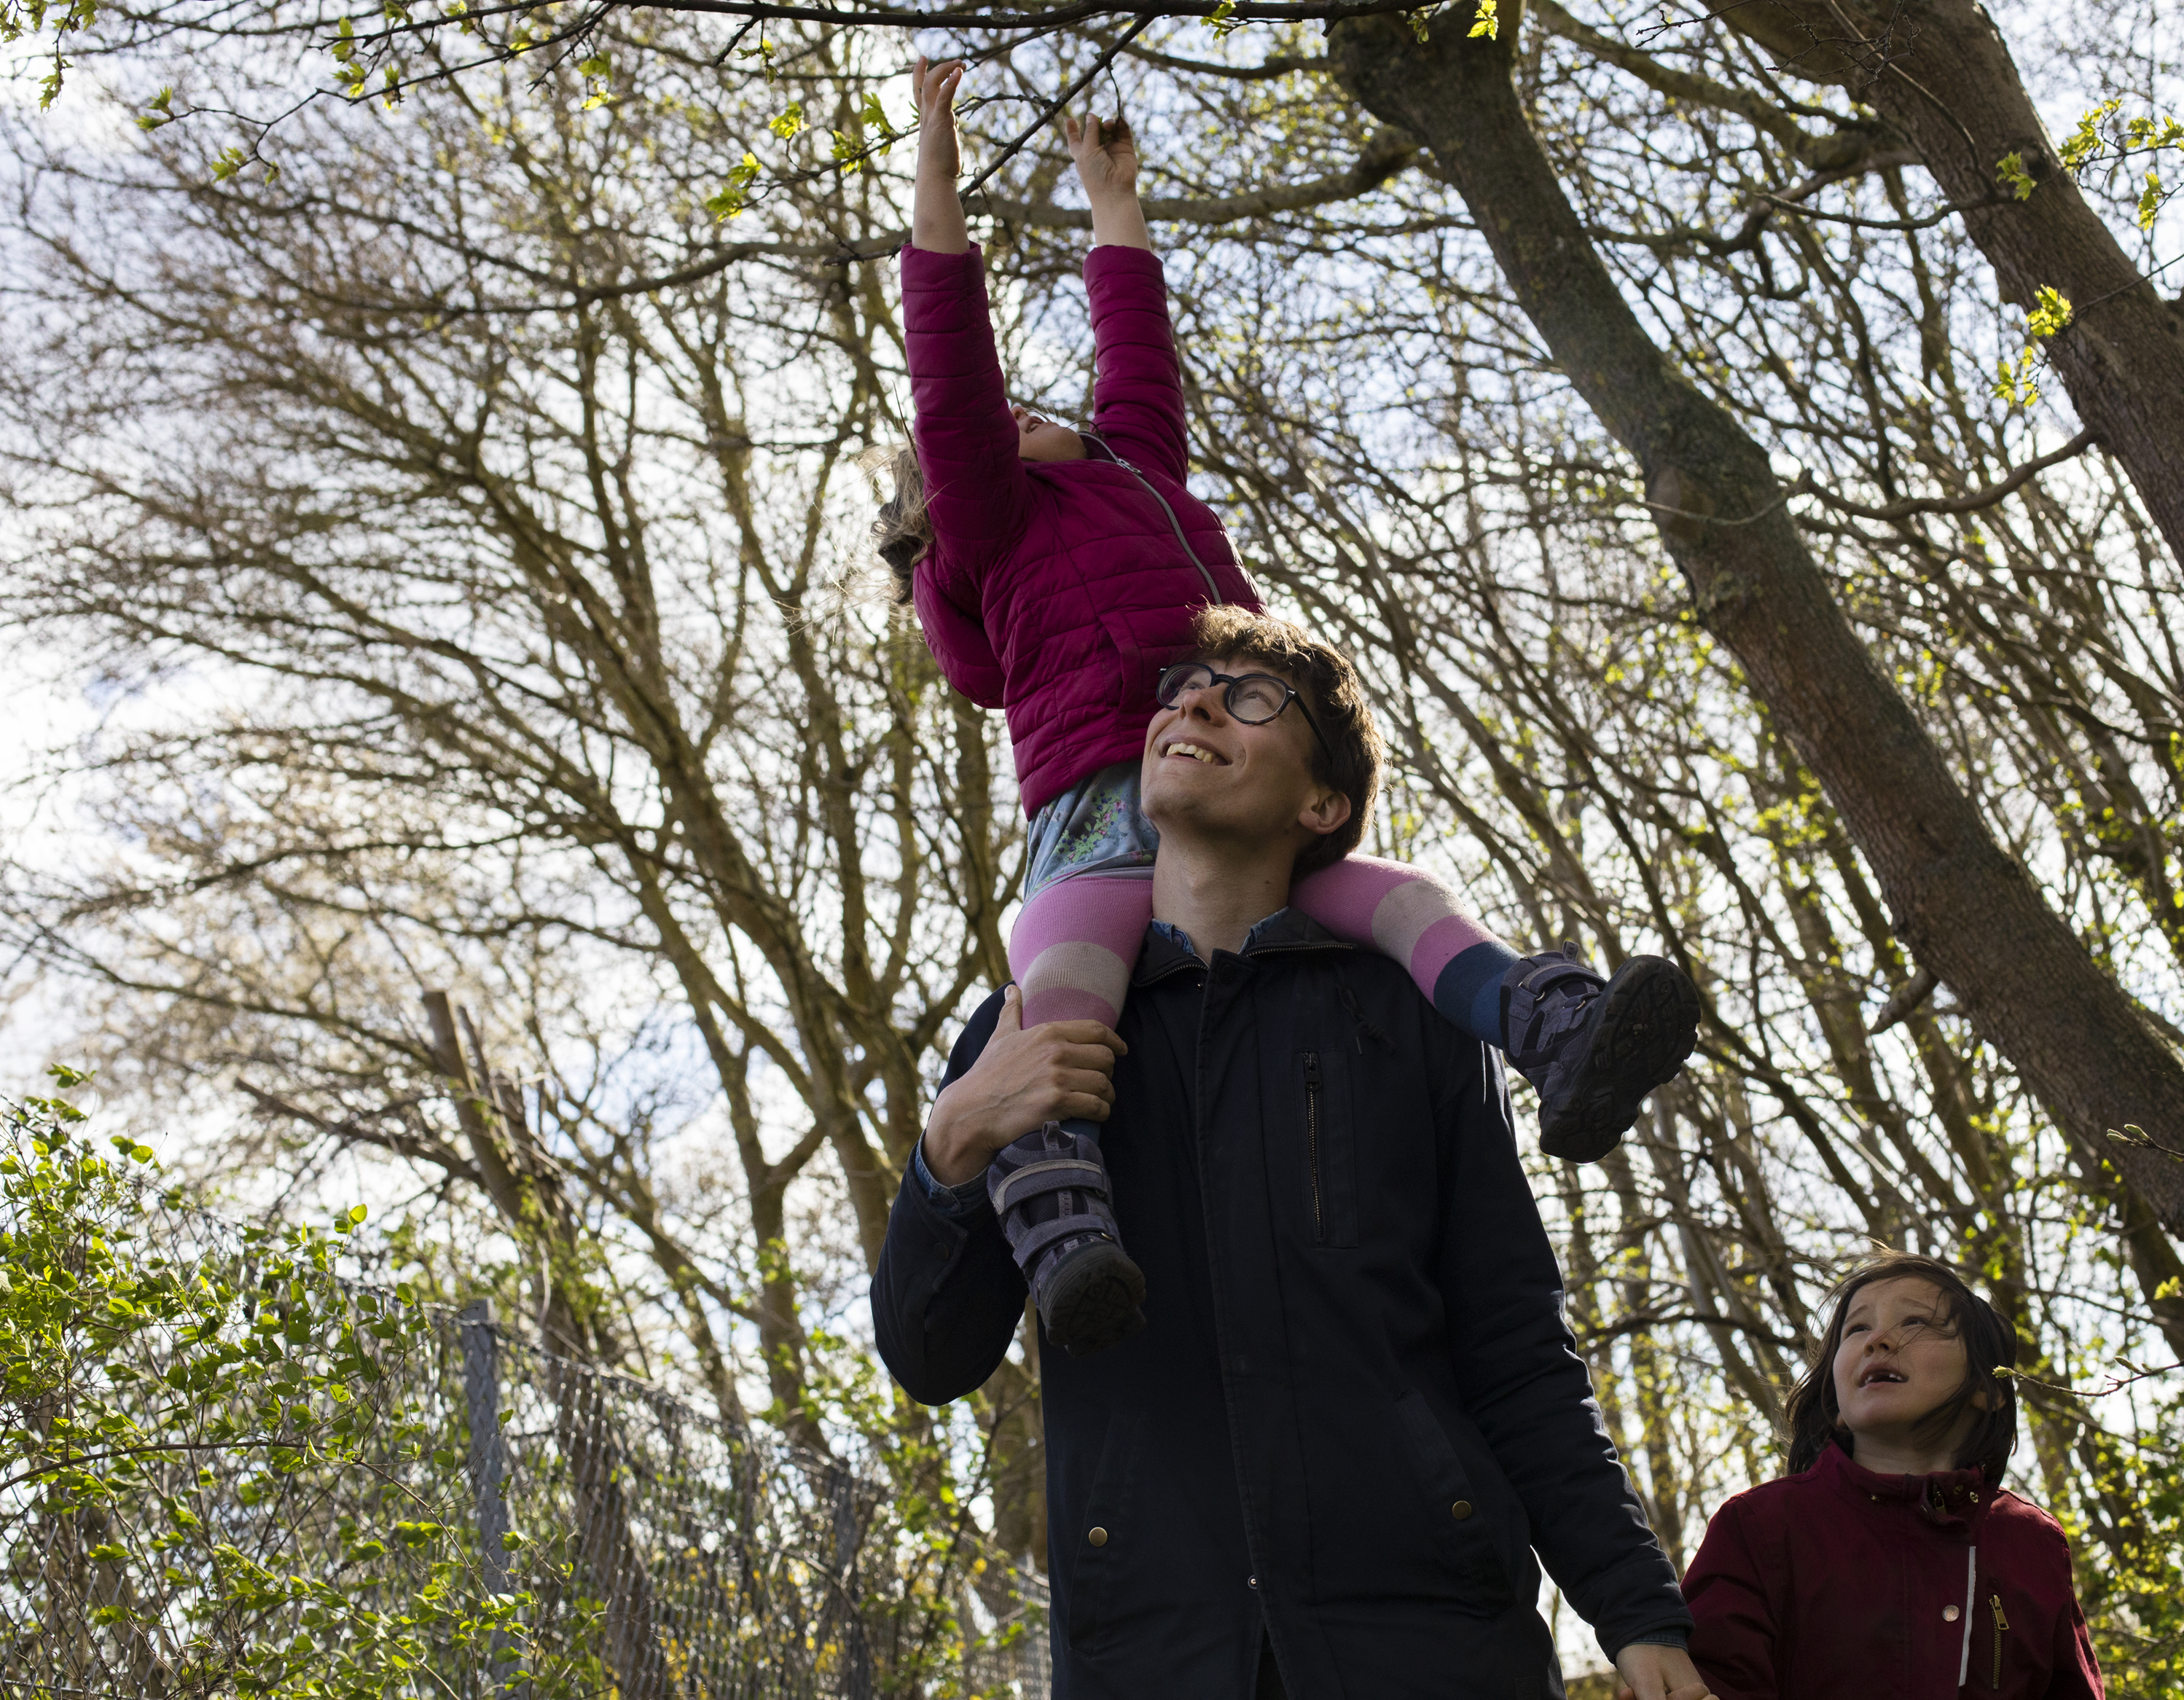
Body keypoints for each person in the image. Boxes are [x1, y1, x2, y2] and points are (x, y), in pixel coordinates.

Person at [877, 55, 1699, 1356]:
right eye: (990, 428)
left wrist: (1114, 198)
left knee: (1402, 898)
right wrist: (934, 168)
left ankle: (1554, 1024)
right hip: (1103, 809)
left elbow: (1138, 346)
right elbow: (950, 371)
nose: (1028, 411)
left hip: (1249, 788)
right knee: (1066, 989)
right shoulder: (988, 523)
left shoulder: (1137, 468)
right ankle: (1061, 1220)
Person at [870, 608, 1715, 1700]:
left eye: (1253, 696)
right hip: (1149, 1653)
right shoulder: (1028, 1034)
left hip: (1430, 1643)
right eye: (1184, 685)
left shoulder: (1411, 1018)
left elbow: (1512, 1345)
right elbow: (928, 1358)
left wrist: (1635, 1606)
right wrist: (949, 1146)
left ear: (1323, 804)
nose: (1195, 701)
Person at [1680, 1252, 2105, 1699]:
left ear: (1987, 1390)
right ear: (1837, 1406)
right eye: (1857, 1328)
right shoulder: (1758, 1527)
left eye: (1916, 1322)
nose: (1878, 1339)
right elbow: (1710, 1679)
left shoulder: (2033, 1541)